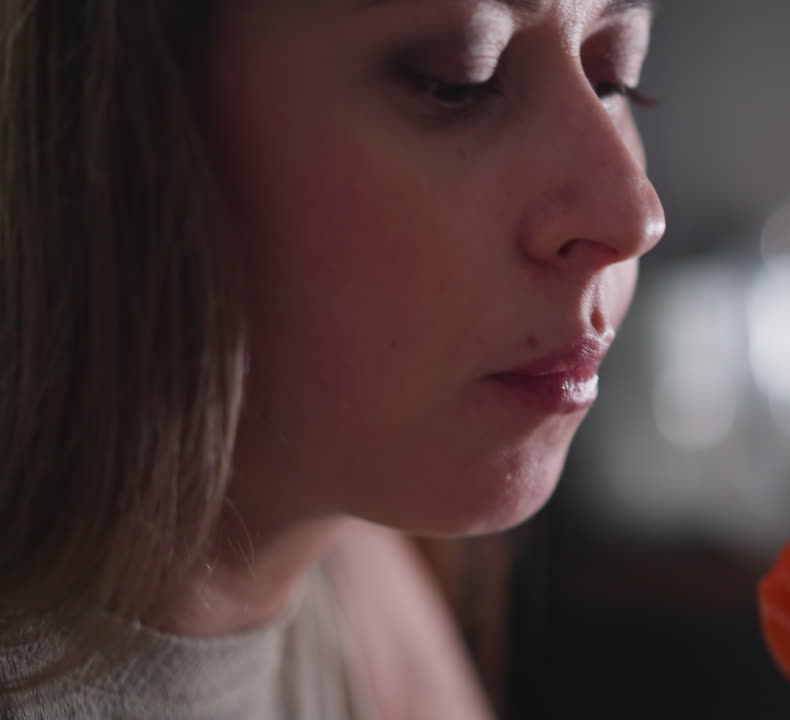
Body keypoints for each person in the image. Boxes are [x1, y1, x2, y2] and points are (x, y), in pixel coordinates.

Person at [0, 0, 664, 717]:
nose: (636, 217)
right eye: (458, 82)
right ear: (110, 116)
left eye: (613, 78)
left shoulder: (355, 575)